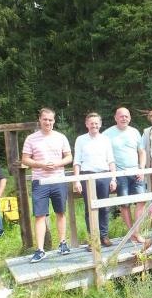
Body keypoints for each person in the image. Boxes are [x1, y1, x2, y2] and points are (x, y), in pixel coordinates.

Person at [21, 108, 73, 263]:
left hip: (58, 179)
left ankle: (63, 243)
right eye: (45, 119)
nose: (48, 122)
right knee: (39, 215)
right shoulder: (31, 138)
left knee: (61, 212)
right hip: (40, 181)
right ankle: (40, 249)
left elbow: (69, 157)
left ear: (54, 121)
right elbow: (25, 159)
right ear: (40, 120)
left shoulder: (61, 137)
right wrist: (40, 164)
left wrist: (58, 164)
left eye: (51, 120)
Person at [73, 112, 118, 248]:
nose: (94, 125)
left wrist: (113, 178)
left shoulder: (105, 139)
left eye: (96, 123)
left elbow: (111, 160)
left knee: (104, 208)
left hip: (104, 175)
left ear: (100, 124)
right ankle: (93, 239)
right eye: (91, 123)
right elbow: (77, 161)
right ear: (86, 124)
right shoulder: (80, 139)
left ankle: (104, 236)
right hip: (87, 176)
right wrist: (77, 180)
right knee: (90, 208)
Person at [103, 107, 146, 243]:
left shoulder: (135, 132)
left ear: (130, 118)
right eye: (121, 116)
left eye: (126, 116)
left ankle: (136, 231)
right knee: (125, 204)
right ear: (115, 118)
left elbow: (142, 152)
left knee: (141, 201)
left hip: (136, 172)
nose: (124, 118)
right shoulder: (107, 134)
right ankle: (131, 233)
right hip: (119, 173)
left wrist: (142, 168)